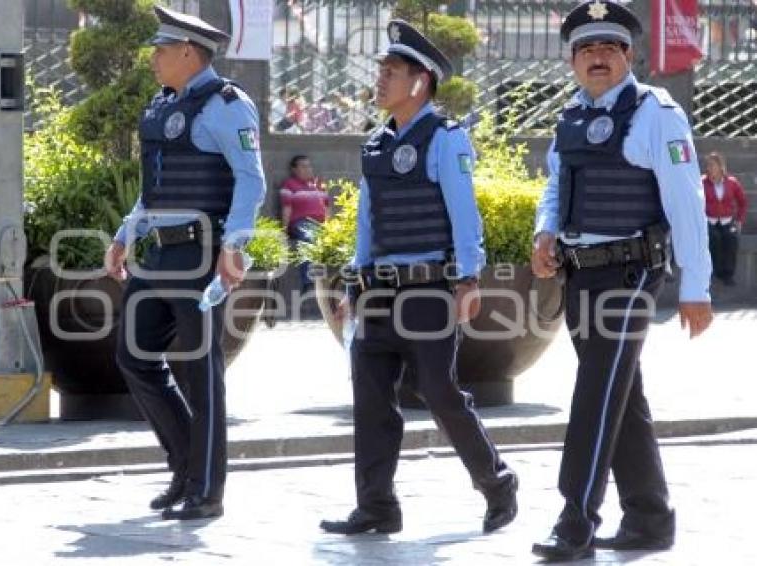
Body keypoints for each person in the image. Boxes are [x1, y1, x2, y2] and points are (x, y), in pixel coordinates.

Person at [319, 19, 518, 537]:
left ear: (421, 81)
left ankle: (497, 483)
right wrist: (352, 285)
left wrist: (468, 280)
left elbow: (463, 213)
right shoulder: (376, 144)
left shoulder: (444, 138)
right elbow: (368, 221)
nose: (380, 79)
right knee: (369, 397)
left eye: (392, 71)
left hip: (429, 290)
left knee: (438, 389)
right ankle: (377, 506)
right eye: (380, 70)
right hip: (380, 290)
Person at [529, 2, 713, 560]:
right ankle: (649, 518)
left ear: (628, 55)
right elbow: (556, 185)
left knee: (594, 395)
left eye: (609, 48)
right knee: (618, 393)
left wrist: (695, 287)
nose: (598, 58)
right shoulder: (571, 117)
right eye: (586, 50)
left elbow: (687, 201)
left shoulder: (656, 113)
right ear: (572, 62)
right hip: (581, 272)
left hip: (633, 273)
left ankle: (576, 518)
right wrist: (544, 231)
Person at [103, 5, 265, 521]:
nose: (153, 58)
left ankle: (206, 489)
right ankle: (185, 464)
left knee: (202, 370)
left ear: (188, 53)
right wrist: (124, 235)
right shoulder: (161, 105)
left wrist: (234, 246)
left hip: (202, 254)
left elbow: (252, 180)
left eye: (161, 50)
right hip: (159, 251)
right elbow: (155, 189)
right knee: (134, 355)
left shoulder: (227, 105)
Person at [279, 155, 329, 291]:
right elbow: (287, 208)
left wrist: (330, 228)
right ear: (294, 169)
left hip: (320, 225)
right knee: (309, 238)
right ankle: (309, 281)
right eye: (303, 166)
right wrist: (284, 230)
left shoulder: (319, 184)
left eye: (309, 166)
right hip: (301, 223)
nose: (308, 169)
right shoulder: (289, 185)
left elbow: (327, 207)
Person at [703, 151, 748, 286]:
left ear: (720, 166)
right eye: (708, 165)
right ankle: (714, 272)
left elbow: (743, 202)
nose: (709, 168)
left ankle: (728, 274)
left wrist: (739, 220)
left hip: (727, 220)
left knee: (731, 238)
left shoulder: (732, 183)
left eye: (712, 165)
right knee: (714, 238)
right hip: (709, 220)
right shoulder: (702, 182)